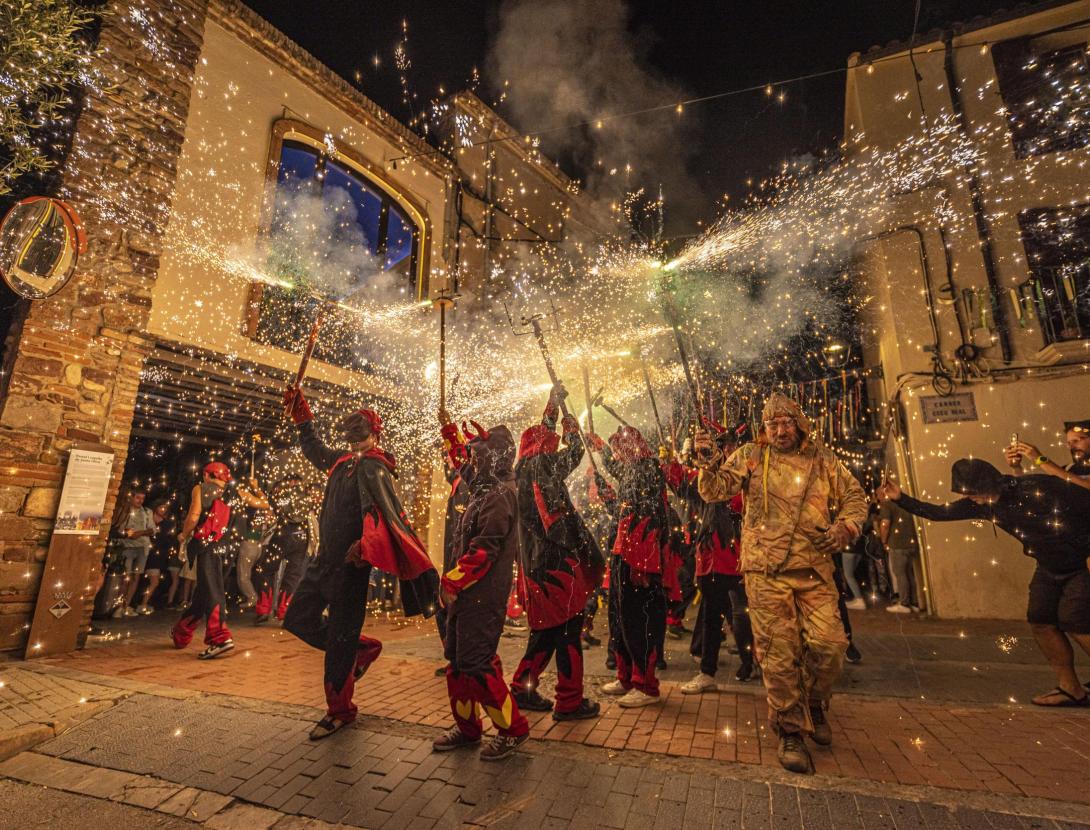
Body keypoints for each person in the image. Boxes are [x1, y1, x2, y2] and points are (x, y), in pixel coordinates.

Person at [695, 392, 867, 774]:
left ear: (799, 423)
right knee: (778, 653)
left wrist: (846, 527)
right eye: (771, 424)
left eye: (786, 422)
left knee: (831, 645)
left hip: (814, 569)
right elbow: (716, 489)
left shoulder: (822, 459)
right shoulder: (751, 456)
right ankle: (789, 728)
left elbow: (856, 497)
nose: (779, 430)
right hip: (765, 571)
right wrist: (707, 464)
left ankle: (816, 703)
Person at [282, 387, 438, 739]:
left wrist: (365, 545)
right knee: (297, 619)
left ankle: (340, 711)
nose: (353, 441)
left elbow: (385, 514)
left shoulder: (376, 468)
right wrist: (302, 416)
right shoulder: (341, 461)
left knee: (339, 642)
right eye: (349, 435)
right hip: (322, 563)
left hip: (351, 570)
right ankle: (361, 648)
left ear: (373, 434)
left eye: (359, 434)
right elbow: (314, 449)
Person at [879, 458, 1090, 707]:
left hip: (1080, 564)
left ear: (991, 483)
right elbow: (937, 513)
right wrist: (900, 498)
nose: (975, 500)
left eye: (976, 493)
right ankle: (1070, 688)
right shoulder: (980, 505)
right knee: (1041, 621)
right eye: (968, 495)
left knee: (1075, 621)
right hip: (1047, 566)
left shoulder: (1036, 487)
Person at [432, 422, 531, 760]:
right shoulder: (485, 486)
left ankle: (512, 729)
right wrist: (452, 439)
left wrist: (452, 580)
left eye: (478, 457)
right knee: (458, 663)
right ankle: (468, 728)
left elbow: (484, 551)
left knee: (478, 663)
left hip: (483, 597)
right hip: (466, 597)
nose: (471, 463)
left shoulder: (501, 496)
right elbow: (463, 464)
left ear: (494, 459)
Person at [509, 385, 604, 721]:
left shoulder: (523, 469)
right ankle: (569, 701)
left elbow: (543, 437)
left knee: (548, 631)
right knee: (567, 632)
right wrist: (573, 433)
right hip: (556, 567)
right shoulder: (542, 468)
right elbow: (573, 455)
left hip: (536, 568)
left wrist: (552, 406)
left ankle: (521, 688)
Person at [664, 425, 756, 693]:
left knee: (743, 613)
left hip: (741, 556)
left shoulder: (746, 475)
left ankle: (751, 661)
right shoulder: (703, 476)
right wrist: (671, 459)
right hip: (712, 558)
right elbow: (680, 482)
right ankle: (708, 671)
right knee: (713, 617)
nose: (728, 451)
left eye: (729, 446)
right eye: (723, 446)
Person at [592, 424, 678, 708]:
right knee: (620, 619)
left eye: (618, 447)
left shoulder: (647, 470)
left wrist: (642, 563)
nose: (616, 454)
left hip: (640, 559)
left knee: (639, 622)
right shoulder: (632, 468)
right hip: (623, 555)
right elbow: (623, 501)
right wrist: (601, 451)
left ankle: (646, 685)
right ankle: (626, 676)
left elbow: (650, 519)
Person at [170, 462, 237, 659]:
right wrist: (257, 487)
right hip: (228, 551)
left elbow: (194, 515)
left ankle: (220, 637)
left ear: (207, 475)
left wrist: (183, 534)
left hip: (208, 547)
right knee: (203, 593)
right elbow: (262, 504)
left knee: (212, 591)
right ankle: (181, 633)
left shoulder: (201, 488)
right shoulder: (235, 492)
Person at [255, 474, 310, 623]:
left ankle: (264, 608)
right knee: (293, 576)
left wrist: (256, 488)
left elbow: (267, 504)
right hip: (302, 537)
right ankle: (284, 612)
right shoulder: (307, 496)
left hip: (283, 535)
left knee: (266, 570)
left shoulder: (282, 494)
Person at [1006, 419, 1090, 491]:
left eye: (1076, 440)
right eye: (1069, 443)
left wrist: (1039, 459)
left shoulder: (1063, 473)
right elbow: (1027, 491)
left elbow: (1085, 485)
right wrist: (1016, 468)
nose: (1071, 447)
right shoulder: (1068, 469)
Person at [113, 487, 155, 617]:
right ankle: (118, 606)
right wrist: (127, 533)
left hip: (142, 547)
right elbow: (119, 528)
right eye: (138, 498)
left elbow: (152, 530)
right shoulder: (125, 511)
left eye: (142, 498)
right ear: (132, 497)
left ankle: (127, 605)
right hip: (127, 546)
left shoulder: (147, 512)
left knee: (136, 577)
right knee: (125, 577)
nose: (140, 501)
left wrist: (140, 533)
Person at [878, 495, 922, 614]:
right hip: (911, 542)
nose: (877, 498)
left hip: (897, 543)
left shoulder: (887, 504)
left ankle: (904, 603)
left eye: (878, 494)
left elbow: (885, 524)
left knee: (900, 573)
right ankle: (914, 603)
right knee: (909, 573)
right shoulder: (904, 502)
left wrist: (883, 541)